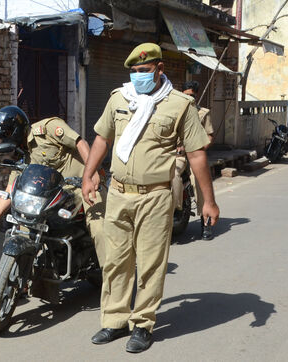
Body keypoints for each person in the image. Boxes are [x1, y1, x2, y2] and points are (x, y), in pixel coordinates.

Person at [81, 43, 220, 353]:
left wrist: (207, 200)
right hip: (117, 193)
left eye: (143, 71)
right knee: (116, 262)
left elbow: (197, 154)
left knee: (150, 264)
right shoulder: (119, 98)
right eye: (133, 71)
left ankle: (142, 324)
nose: (137, 76)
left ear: (159, 70)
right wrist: (88, 174)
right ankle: (115, 320)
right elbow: (102, 138)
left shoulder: (179, 105)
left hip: (155, 197)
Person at [0, 106, 106, 268]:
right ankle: (27, 277)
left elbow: (80, 142)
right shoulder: (21, 156)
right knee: (23, 228)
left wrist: (91, 173)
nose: (3, 142)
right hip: (53, 197)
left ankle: (111, 282)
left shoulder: (48, 129)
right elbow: (10, 189)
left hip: (83, 188)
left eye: (4, 136)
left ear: (15, 130)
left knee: (99, 229)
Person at [172, 80, 215, 240]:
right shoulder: (174, 112)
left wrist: (201, 147)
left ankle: (206, 223)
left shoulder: (203, 113)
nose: (189, 98)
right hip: (178, 155)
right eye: (186, 95)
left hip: (196, 154)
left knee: (199, 183)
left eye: (192, 96)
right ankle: (176, 210)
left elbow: (210, 135)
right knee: (172, 173)